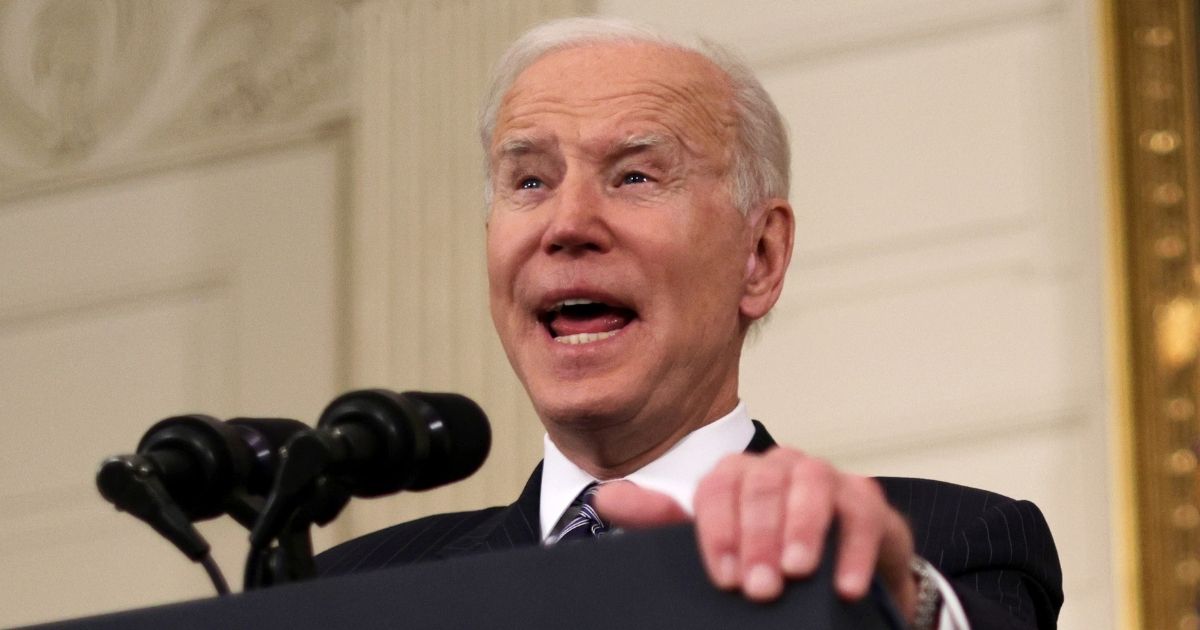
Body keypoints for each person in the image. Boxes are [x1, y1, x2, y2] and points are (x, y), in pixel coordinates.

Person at [317, 17, 1063, 630]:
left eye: (636, 175)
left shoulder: (949, 545)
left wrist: (900, 606)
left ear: (760, 256)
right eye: (531, 181)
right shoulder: (351, 592)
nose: (567, 224)